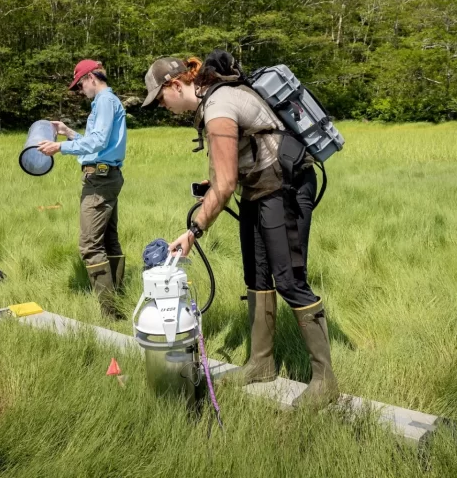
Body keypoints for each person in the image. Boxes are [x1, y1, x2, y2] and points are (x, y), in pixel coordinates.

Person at [141, 51, 338, 408]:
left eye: (160, 99)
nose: (161, 106)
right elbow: (225, 170)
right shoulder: (211, 103)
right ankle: (261, 363)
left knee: (290, 279)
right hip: (260, 189)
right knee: (257, 276)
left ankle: (325, 379)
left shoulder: (218, 105)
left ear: (175, 84)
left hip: (286, 188)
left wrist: (194, 231)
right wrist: (211, 185)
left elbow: (226, 184)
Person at [38, 59, 127, 319]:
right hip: (105, 175)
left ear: (91, 77)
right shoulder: (104, 103)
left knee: (89, 245)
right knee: (108, 241)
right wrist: (69, 133)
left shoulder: (105, 101)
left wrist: (60, 147)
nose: (79, 91)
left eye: (79, 85)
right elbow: (98, 142)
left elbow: (98, 141)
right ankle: (118, 304)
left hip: (100, 180)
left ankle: (110, 313)